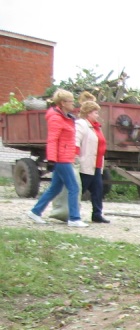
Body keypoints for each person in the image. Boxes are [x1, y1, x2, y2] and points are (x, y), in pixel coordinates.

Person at [26, 89, 87, 228]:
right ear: (63, 103)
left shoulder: (66, 117)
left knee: (55, 188)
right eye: (71, 101)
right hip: (61, 158)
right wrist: (52, 160)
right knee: (73, 187)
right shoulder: (56, 118)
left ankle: (35, 211)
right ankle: (74, 218)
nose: (74, 104)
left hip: (65, 156)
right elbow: (52, 140)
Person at [75, 100, 109, 223]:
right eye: (95, 112)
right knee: (81, 189)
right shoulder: (81, 124)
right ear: (88, 113)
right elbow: (76, 141)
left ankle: (97, 214)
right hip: (86, 163)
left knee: (98, 190)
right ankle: (72, 212)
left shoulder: (96, 127)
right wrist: (76, 158)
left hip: (97, 164)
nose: (97, 115)